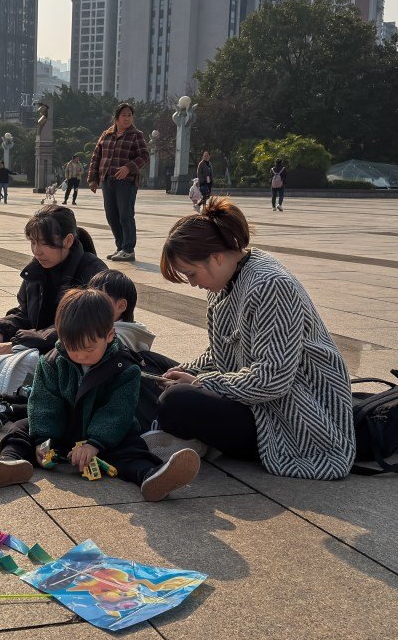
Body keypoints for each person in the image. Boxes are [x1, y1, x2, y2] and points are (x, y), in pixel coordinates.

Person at [150, 197, 355, 480]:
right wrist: (187, 370)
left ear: (216, 257)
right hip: (252, 395)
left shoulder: (271, 285)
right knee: (151, 368)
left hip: (293, 414)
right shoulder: (226, 280)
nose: (193, 283)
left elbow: (274, 379)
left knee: (177, 401)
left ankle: (184, 437)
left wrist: (200, 383)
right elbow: (220, 352)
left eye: (191, 274)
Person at [0, 289, 201, 501]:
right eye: (72, 347)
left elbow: (118, 410)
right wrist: (43, 439)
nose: (80, 355)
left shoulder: (124, 367)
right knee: (21, 428)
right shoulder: (51, 362)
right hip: (63, 428)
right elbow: (44, 401)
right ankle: (10, 461)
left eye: (89, 349)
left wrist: (95, 443)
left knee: (131, 447)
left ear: (109, 335)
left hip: (106, 435)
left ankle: (150, 475)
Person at [0, 204, 106, 366]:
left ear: (68, 240)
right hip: (36, 342)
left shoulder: (93, 272)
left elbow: (78, 328)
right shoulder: (36, 268)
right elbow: (24, 313)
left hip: (71, 347)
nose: (36, 251)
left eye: (44, 243)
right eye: (33, 242)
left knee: (54, 360)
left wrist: (17, 345)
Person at [88, 102, 149, 262]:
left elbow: (144, 156)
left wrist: (128, 167)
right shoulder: (106, 134)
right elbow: (96, 156)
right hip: (107, 180)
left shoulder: (136, 135)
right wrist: (93, 178)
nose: (127, 118)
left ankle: (128, 249)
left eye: (130, 115)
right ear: (116, 117)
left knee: (125, 215)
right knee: (111, 216)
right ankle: (120, 246)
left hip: (126, 182)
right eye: (124, 115)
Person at [87, 270, 155, 352]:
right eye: (88, 297)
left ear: (121, 306)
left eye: (99, 300)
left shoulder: (114, 341)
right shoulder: (131, 332)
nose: (90, 303)